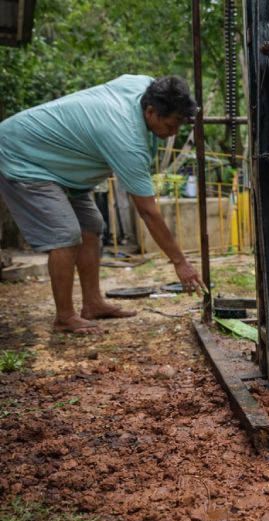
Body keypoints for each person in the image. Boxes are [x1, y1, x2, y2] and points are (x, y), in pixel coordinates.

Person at [0, 75, 204, 334]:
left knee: (91, 225)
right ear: (150, 111)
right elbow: (148, 212)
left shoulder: (145, 87)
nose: (173, 133)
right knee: (65, 235)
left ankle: (93, 303)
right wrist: (180, 262)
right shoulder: (126, 139)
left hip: (61, 162)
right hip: (23, 154)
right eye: (170, 125)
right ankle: (64, 317)